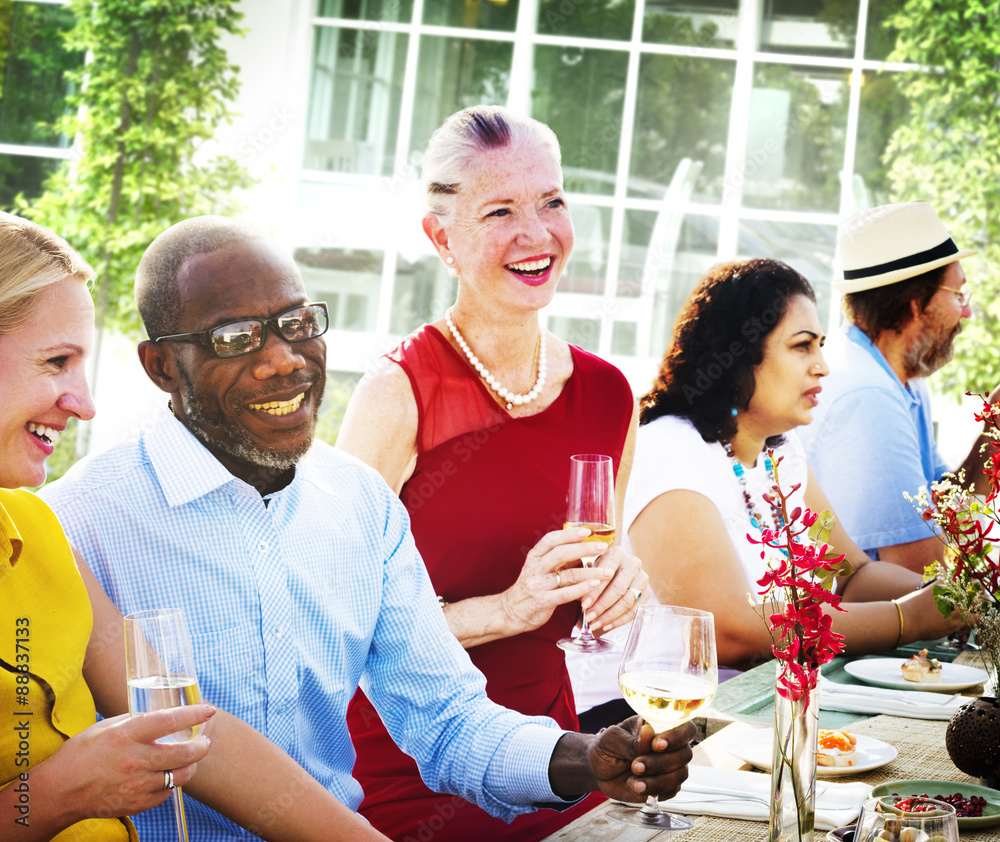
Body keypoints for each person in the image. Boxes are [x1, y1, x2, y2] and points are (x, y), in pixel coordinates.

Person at [39, 213, 695, 841]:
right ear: (161, 367)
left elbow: (446, 719)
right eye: (236, 339)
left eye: (297, 323)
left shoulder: (360, 503)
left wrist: (586, 757)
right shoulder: (79, 524)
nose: (284, 360)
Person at [0, 211, 395, 841]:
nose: (85, 401)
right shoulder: (79, 511)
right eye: (55, 361)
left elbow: (187, 724)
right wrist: (58, 792)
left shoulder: (34, 530)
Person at [333, 104, 649, 842]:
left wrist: (621, 577)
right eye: (500, 211)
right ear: (441, 238)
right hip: (409, 775)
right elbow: (336, 624)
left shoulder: (607, 393)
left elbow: (604, 552)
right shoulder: (397, 394)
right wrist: (509, 608)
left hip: (562, 762)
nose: (536, 235)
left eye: (552, 203)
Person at [567, 258, 966, 721]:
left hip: (742, 700)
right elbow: (731, 633)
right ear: (739, 355)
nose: (822, 367)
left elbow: (851, 575)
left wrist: (954, 597)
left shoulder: (781, 449)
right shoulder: (670, 449)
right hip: (636, 714)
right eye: (801, 347)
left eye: (820, 346)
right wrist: (907, 619)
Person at [800, 202, 999, 573]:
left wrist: (995, 433)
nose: (967, 311)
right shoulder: (869, 397)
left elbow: (944, 506)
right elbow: (924, 575)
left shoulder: (899, 378)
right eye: (959, 294)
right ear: (915, 304)